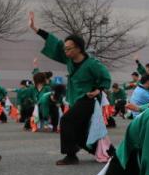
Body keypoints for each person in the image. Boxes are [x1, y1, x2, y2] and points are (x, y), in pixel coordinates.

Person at [28, 11, 113, 165]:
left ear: (79, 48)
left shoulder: (92, 63)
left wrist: (99, 89)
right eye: (65, 49)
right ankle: (107, 151)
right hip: (76, 97)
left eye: (69, 48)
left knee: (66, 121)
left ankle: (70, 156)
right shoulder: (69, 59)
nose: (65, 51)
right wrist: (36, 29)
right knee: (80, 132)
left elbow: (105, 77)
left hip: (89, 98)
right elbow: (54, 42)